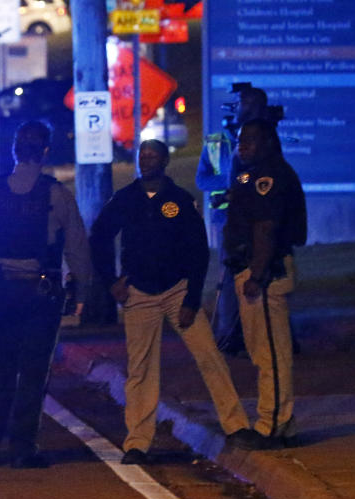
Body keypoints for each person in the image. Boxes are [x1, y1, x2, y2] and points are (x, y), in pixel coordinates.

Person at [90, 140, 259, 464]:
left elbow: (197, 253)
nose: (146, 160)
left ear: (165, 161)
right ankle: (137, 443)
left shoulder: (180, 201)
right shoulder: (125, 200)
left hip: (179, 291)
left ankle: (236, 426)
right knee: (140, 370)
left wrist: (192, 299)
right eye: (142, 155)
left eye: (153, 155)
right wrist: (111, 282)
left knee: (209, 355)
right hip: (139, 294)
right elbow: (98, 238)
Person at [0, 121, 92, 469]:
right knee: (32, 372)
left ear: (14, 150)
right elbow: (76, 248)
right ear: (45, 151)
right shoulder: (56, 194)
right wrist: (83, 292)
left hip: (2, 291)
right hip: (41, 295)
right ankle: (23, 449)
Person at [223, 119, 307, 450]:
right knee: (267, 351)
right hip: (257, 271)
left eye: (252, 140)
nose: (243, 145)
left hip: (265, 274)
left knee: (269, 353)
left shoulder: (268, 177)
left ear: (269, 142)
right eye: (242, 139)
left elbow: (266, 228)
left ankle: (270, 424)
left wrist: (256, 275)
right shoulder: (252, 173)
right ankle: (282, 423)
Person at [197, 86, 272, 355]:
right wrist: (231, 182)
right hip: (227, 219)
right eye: (241, 105)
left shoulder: (265, 140)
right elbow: (201, 179)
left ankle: (261, 333)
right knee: (229, 277)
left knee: (260, 271)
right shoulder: (216, 142)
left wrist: (240, 181)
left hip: (258, 217)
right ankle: (229, 334)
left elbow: (260, 175)